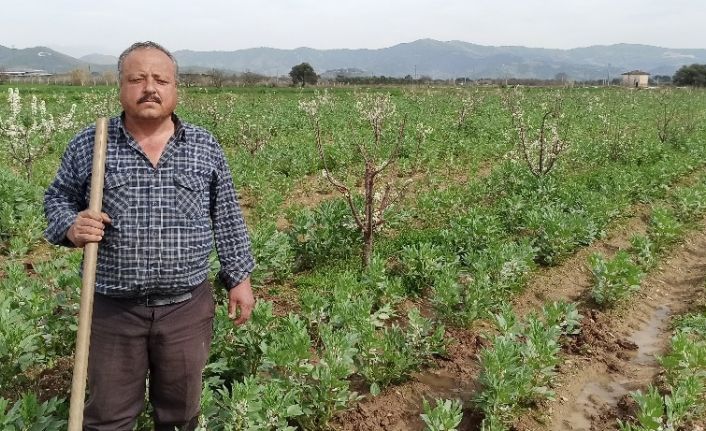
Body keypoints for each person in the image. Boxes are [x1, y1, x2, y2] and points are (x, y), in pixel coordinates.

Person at [44, 41, 255, 430]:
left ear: (176, 88)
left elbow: (226, 214)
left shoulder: (203, 146)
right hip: (112, 308)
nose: (150, 88)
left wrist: (238, 277)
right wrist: (71, 226)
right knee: (109, 415)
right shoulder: (92, 144)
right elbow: (56, 199)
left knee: (179, 413)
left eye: (161, 79)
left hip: (186, 308)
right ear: (120, 87)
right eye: (137, 79)